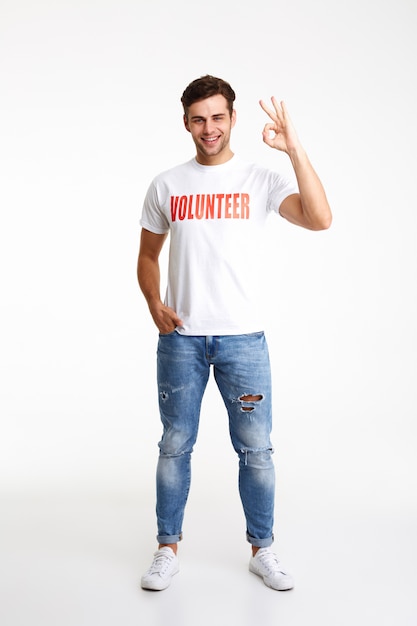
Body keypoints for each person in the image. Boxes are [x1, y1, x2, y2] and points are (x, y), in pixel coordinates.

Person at [137, 75, 331, 592]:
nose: (209, 128)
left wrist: (294, 149)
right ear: (186, 123)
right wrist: (154, 304)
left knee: (257, 450)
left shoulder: (259, 178)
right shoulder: (167, 184)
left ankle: (262, 550)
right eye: (199, 119)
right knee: (174, 445)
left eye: (218, 117)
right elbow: (148, 256)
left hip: (244, 338)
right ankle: (166, 549)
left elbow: (320, 218)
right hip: (181, 341)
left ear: (233, 119)